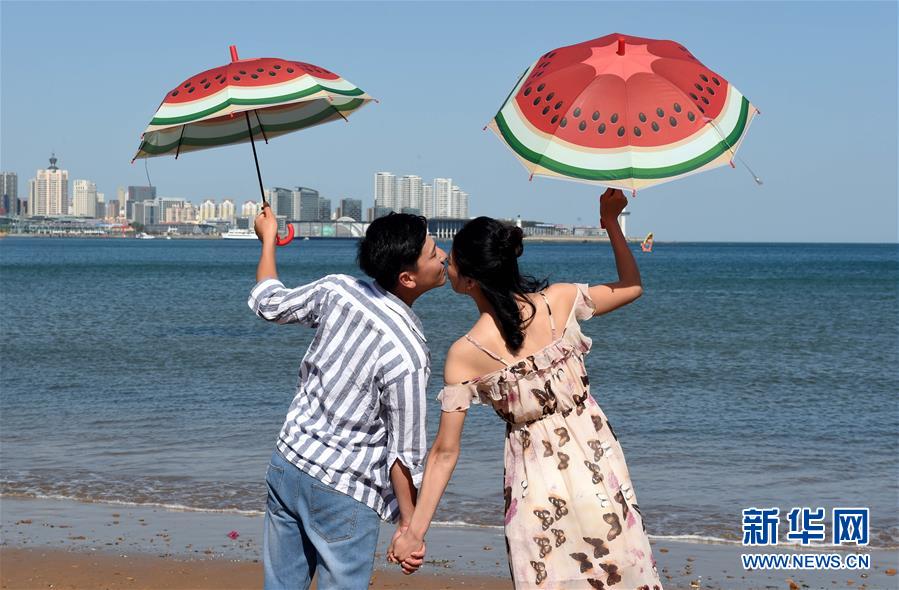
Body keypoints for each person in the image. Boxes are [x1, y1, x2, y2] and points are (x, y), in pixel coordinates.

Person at [389, 189, 662, 589]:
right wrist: (610, 223)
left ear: (468, 280)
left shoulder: (465, 354)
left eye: (452, 262)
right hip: (597, 462)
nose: (446, 265)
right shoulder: (560, 300)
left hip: (535, 482)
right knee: (620, 570)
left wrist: (416, 531)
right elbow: (631, 286)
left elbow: (445, 453)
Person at [249, 206, 446, 589]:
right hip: (344, 491)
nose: (444, 257)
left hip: (289, 462)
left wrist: (268, 239)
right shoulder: (406, 353)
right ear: (407, 278)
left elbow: (268, 302)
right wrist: (409, 526)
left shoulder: (337, 290)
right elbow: (405, 455)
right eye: (434, 252)